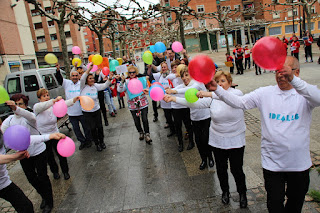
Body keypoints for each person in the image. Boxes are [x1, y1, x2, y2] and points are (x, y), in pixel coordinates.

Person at [202, 56, 320, 212]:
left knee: (295, 203)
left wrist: (294, 81)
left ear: (296, 72)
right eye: (277, 71)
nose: (280, 75)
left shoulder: (305, 95)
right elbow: (240, 102)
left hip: (298, 165)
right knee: (274, 204)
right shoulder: (265, 93)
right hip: (272, 163)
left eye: (284, 72)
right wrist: (217, 89)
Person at [1, 95, 55, 212]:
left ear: (25, 105)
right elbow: (5, 138)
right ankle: (43, 196)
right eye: (16, 104)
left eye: (20, 104)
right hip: (23, 155)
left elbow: (30, 116)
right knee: (31, 178)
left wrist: (17, 108)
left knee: (42, 177)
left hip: (38, 151)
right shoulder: (9, 120)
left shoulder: (29, 117)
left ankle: (49, 201)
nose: (18, 106)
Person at [0, 122, 67, 213]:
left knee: (26, 206)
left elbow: (24, 139)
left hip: (4, 183)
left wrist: (49, 136)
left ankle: (48, 200)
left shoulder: (2, 136)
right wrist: (14, 157)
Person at [165, 65, 213, 168]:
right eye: (182, 76)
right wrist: (163, 91)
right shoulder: (183, 86)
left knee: (205, 139)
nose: (185, 78)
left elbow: (190, 89)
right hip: (194, 118)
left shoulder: (197, 83)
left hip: (205, 116)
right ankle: (203, 160)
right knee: (198, 141)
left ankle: (210, 157)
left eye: (187, 75)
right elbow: (173, 89)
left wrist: (174, 92)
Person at [34, 89, 78, 181]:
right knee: (49, 156)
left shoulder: (52, 105)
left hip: (56, 133)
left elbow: (65, 104)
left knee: (61, 154)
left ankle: (65, 171)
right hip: (45, 136)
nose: (46, 97)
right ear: (39, 98)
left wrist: (74, 99)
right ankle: (55, 172)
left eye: (47, 95)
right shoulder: (37, 107)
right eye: (44, 96)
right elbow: (43, 106)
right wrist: (53, 100)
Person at [56, 63, 92, 150]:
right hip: (71, 113)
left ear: (78, 76)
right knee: (76, 129)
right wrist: (57, 70)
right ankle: (82, 141)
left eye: (76, 75)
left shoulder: (81, 83)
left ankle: (89, 140)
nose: (75, 77)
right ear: (70, 76)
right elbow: (59, 79)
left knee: (86, 127)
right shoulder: (66, 83)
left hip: (82, 110)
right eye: (73, 76)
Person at [80, 63, 112, 151]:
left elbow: (104, 85)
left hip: (96, 110)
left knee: (100, 127)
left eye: (92, 78)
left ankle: (102, 142)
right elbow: (82, 78)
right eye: (90, 78)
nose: (92, 79)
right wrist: (88, 70)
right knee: (92, 128)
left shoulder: (95, 86)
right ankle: (97, 143)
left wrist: (110, 78)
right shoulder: (82, 87)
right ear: (87, 80)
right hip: (87, 112)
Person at [117, 66, 152, 144]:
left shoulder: (141, 80)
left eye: (133, 72)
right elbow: (119, 90)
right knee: (136, 121)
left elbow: (148, 87)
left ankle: (147, 134)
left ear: (136, 73)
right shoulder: (126, 81)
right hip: (132, 105)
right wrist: (122, 81)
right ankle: (140, 132)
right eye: (130, 72)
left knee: (145, 119)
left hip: (143, 102)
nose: (132, 74)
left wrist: (147, 83)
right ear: (128, 73)